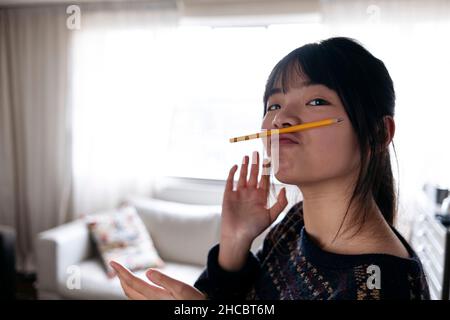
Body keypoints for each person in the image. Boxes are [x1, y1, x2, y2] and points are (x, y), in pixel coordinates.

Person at [110, 37, 430, 300]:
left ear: (378, 134)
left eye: (316, 101)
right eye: (274, 105)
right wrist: (235, 242)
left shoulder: (383, 286)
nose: (280, 120)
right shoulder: (296, 222)